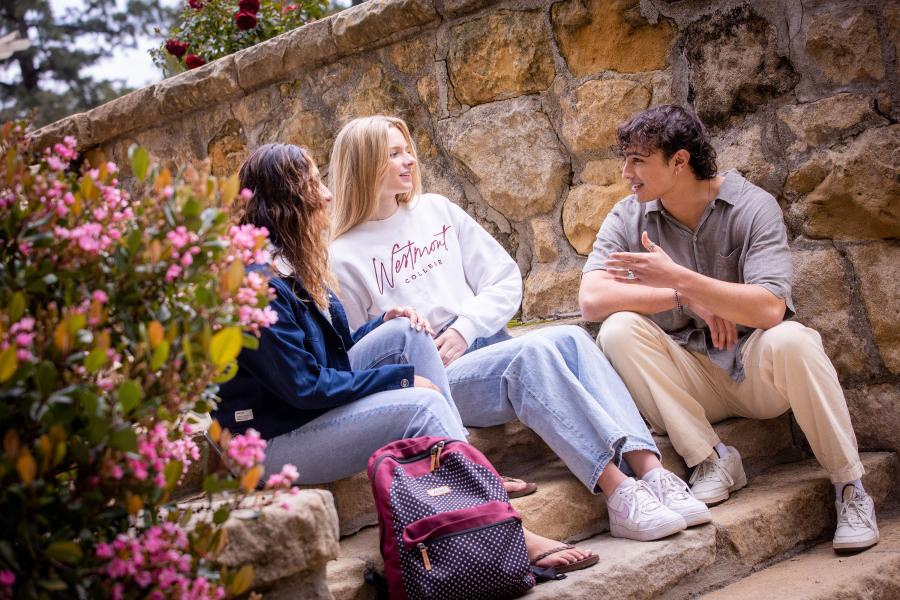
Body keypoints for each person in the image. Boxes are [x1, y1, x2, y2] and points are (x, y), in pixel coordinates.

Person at [213, 143, 598, 573]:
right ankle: (514, 533)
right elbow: (305, 387)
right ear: (286, 202)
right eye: (314, 185)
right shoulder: (256, 286)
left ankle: (469, 464)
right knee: (422, 402)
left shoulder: (290, 262)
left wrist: (380, 327)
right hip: (271, 441)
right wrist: (397, 381)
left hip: (301, 410)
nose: (326, 195)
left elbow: (331, 353)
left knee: (407, 330)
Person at [328, 115, 711, 542]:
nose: (410, 161)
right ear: (363, 165)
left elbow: (505, 279)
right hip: (437, 378)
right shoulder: (342, 256)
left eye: (407, 150)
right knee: (531, 355)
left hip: (481, 342)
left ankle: (651, 473)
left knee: (569, 336)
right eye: (394, 154)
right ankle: (618, 493)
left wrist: (466, 327)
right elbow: (361, 354)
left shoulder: (435, 210)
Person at [578, 104, 878, 551]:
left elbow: (771, 309)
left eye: (638, 160)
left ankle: (851, 489)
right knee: (619, 329)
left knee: (795, 339)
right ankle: (711, 459)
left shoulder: (751, 206)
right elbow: (592, 299)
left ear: (679, 161)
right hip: (687, 379)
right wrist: (685, 297)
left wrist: (682, 278)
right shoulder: (628, 217)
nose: (626, 172)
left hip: (757, 373)